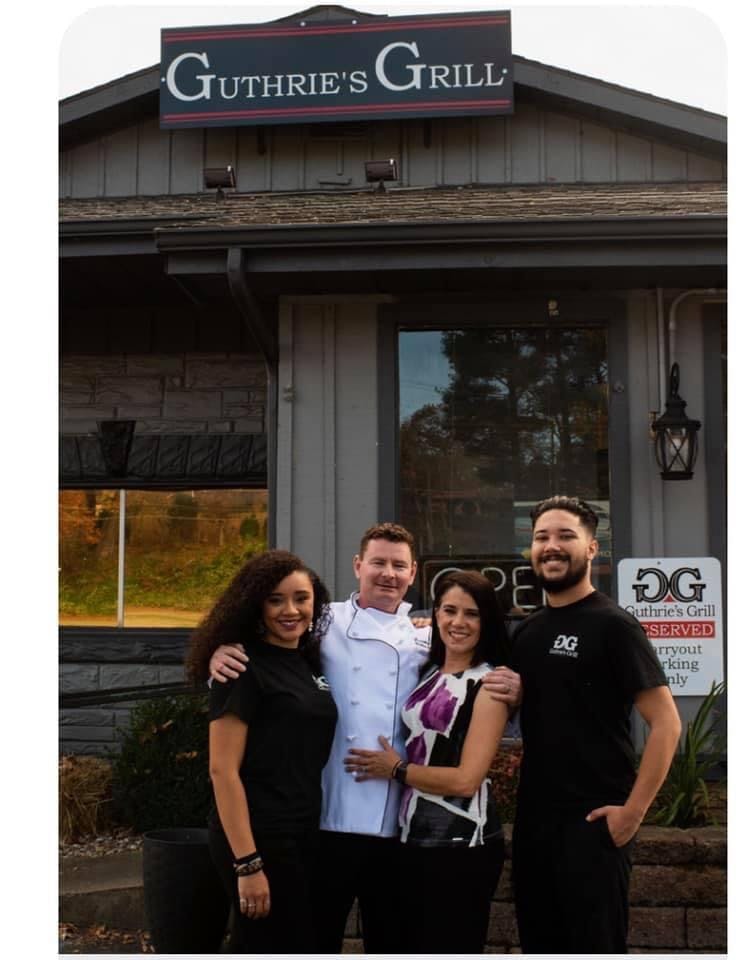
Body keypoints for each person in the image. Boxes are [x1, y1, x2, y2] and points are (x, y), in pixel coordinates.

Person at [209, 522, 522, 953]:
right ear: (359, 566)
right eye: (378, 563)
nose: (387, 574)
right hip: (325, 819)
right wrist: (221, 651)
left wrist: (517, 686)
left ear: (413, 574)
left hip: (395, 824)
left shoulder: (428, 634)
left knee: (391, 941)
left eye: (398, 565)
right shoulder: (321, 618)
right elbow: (261, 638)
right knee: (314, 939)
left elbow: (478, 659)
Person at [484, 495, 681, 954]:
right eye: (541, 538)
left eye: (566, 536)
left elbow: (667, 724)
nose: (552, 547)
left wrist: (631, 815)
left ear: (593, 548)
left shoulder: (614, 626)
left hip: (593, 824)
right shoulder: (529, 631)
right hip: (534, 825)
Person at [344, 570, 511, 954]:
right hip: (412, 837)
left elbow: (467, 780)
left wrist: (396, 770)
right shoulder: (430, 670)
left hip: (461, 843)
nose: (458, 622)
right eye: (449, 610)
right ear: (435, 614)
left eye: (472, 614)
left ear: (487, 622)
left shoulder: (490, 685)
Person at [185, 549, 338, 954]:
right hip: (258, 836)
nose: (291, 610)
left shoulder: (307, 660)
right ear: (255, 604)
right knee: (266, 943)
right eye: (276, 600)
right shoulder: (239, 668)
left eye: (301, 598)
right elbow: (222, 771)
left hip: (304, 828)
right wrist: (248, 863)